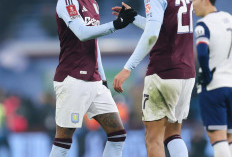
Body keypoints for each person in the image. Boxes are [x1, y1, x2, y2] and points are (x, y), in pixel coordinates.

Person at [49, 0, 137, 156]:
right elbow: (82, 33)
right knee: (63, 142)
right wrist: (116, 25)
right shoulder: (67, 1)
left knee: (118, 135)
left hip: (94, 80)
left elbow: (94, 43)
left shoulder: (93, 3)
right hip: (73, 78)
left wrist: (102, 79)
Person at [112, 0, 195, 156]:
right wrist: (134, 17)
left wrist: (127, 68)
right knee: (173, 134)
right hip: (186, 72)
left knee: (153, 138)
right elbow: (163, 26)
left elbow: (152, 32)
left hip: (163, 73)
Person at [193, 0, 232, 156]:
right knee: (229, 137)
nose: (192, 5)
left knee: (217, 137)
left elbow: (202, 52)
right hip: (231, 83)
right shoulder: (229, 18)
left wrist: (207, 74)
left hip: (213, 86)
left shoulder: (203, 24)